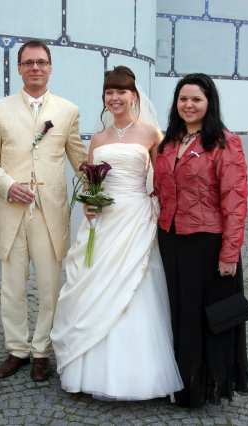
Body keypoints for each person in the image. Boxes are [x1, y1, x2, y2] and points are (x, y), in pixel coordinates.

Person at [50, 66, 183, 400]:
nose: (115, 97)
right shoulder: (98, 138)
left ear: (134, 96)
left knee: (135, 287)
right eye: (109, 92)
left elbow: (164, 179)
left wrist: (158, 206)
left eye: (121, 91)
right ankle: (88, 368)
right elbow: (91, 180)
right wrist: (88, 203)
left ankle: (139, 375)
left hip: (135, 218)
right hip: (103, 221)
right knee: (92, 283)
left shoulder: (151, 133)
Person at [0, 40, 87, 381]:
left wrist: (103, 187)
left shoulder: (68, 110)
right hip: (11, 211)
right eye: (28, 62)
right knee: (12, 287)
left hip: (50, 213)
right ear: (19, 68)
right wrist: (8, 185)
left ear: (50, 67)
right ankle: (17, 349)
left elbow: (80, 161)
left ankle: (42, 351)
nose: (35, 67)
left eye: (41, 62)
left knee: (50, 286)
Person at [153, 73, 248, 407]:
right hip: (171, 238)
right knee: (179, 313)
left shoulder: (224, 143)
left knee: (205, 316)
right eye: (183, 99)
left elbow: (235, 201)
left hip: (207, 241)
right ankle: (179, 384)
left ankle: (203, 388)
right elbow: (160, 190)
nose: (189, 105)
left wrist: (229, 253)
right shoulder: (169, 141)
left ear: (209, 103)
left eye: (196, 99)